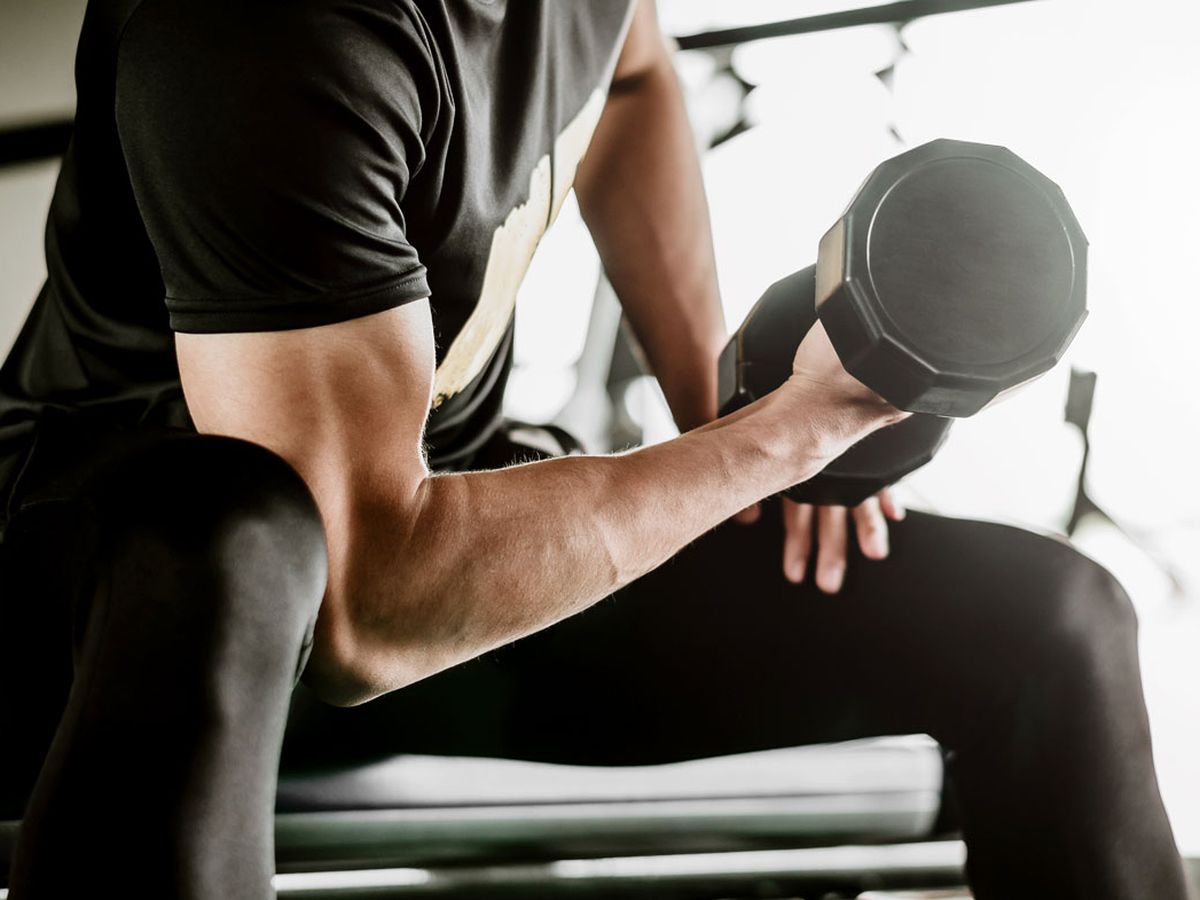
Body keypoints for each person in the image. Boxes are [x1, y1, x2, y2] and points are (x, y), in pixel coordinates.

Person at [0, 0, 1188, 897]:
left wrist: (720, 414)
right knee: (237, 531)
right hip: (119, 615)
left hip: (439, 554)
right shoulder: (264, 37)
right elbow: (364, 613)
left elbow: (633, 78)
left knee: (1052, 623)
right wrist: (781, 440)